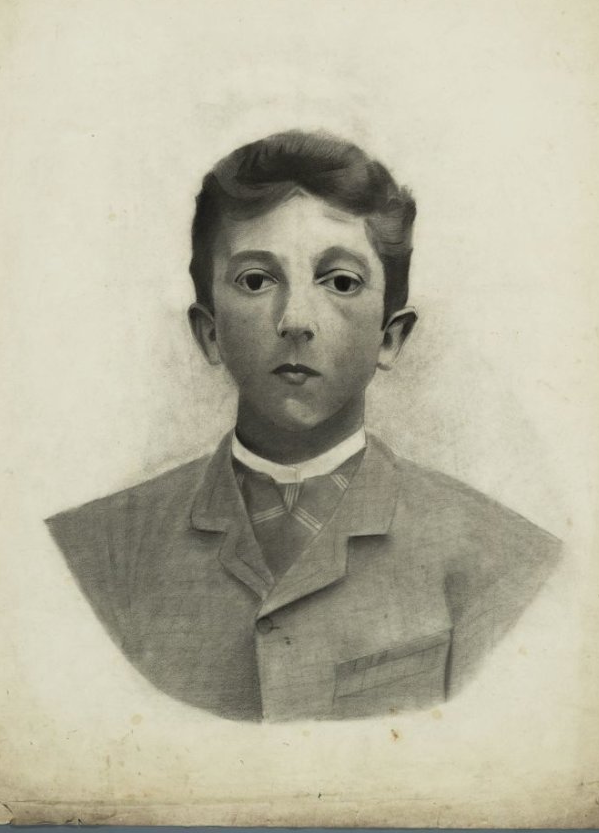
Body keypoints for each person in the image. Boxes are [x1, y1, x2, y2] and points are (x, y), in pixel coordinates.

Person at [47, 130, 561, 722]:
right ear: (209, 332)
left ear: (390, 337)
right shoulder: (90, 551)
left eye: (340, 282)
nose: (295, 320)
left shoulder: (507, 559)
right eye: (255, 280)